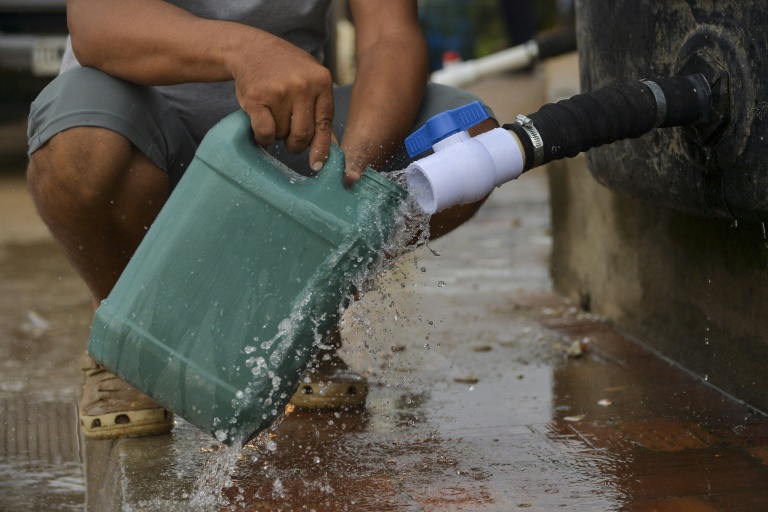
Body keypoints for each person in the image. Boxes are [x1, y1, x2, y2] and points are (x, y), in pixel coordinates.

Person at [26, 0, 497, 440]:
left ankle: (301, 320)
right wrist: (242, 49)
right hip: (146, 135)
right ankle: (127, 333)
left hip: (292, 135)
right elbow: (95, 21)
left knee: (465, 149)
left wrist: (349, 176)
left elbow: (388, 35)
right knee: (81, 148)